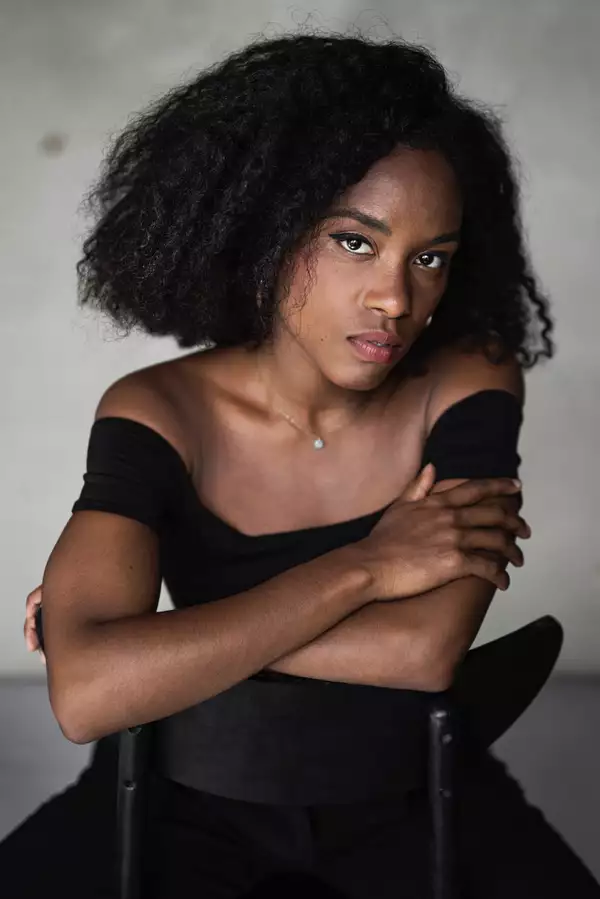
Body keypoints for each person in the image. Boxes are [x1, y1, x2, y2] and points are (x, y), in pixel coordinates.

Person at [5, 30, 599, 899]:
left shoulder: (469, 378)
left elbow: (424, 650)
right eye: (355, 242)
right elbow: (88, 698)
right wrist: (370, 566)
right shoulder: (157, 408)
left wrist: (159, 646)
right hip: (175, 795)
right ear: (269, 233)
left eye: (430, 258)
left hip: (411, 791)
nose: (395, 297)